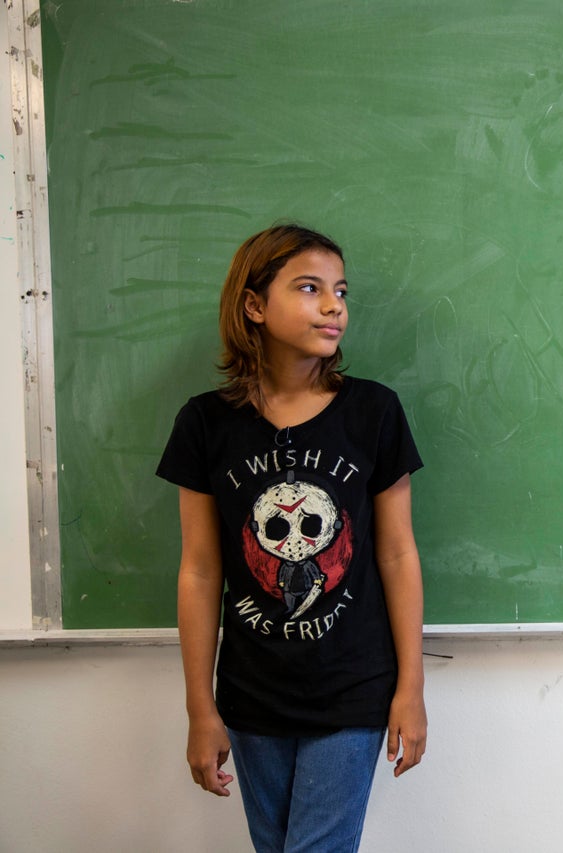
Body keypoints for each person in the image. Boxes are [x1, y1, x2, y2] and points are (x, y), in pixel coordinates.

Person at [156, 224, 428, 852]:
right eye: (310, 288)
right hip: (252, 696)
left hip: (353, 688)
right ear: (255, 305)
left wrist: (410, 687)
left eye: (340, 290)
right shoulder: (205, 423)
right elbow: (199, 571)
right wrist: (201, 707)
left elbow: (396, 553)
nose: (335, 305)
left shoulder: (373, 412)